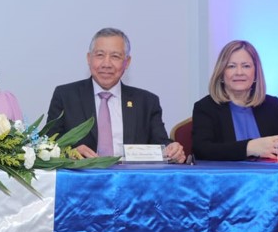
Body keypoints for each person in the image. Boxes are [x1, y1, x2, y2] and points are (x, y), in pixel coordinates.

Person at [46, 27, 185, 163]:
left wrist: (172, 149)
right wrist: (71, 152)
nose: (106, 64)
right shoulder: (65, 96)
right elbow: (47, 145)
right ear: (89, 58)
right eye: (100, 55)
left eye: (115, 56)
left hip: (131, 181)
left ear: (127, 62)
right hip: (83, 179)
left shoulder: (147, 102)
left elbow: (161, 144)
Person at [192, 40, 278, 160]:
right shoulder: (205, 107)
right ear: (221, 74)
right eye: (231, 66)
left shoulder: (272, 105)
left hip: (272, 177)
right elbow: (202, 150)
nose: (239, 72)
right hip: (229, 177)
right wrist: (249, 147)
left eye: (246, 66)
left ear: (255, 73)